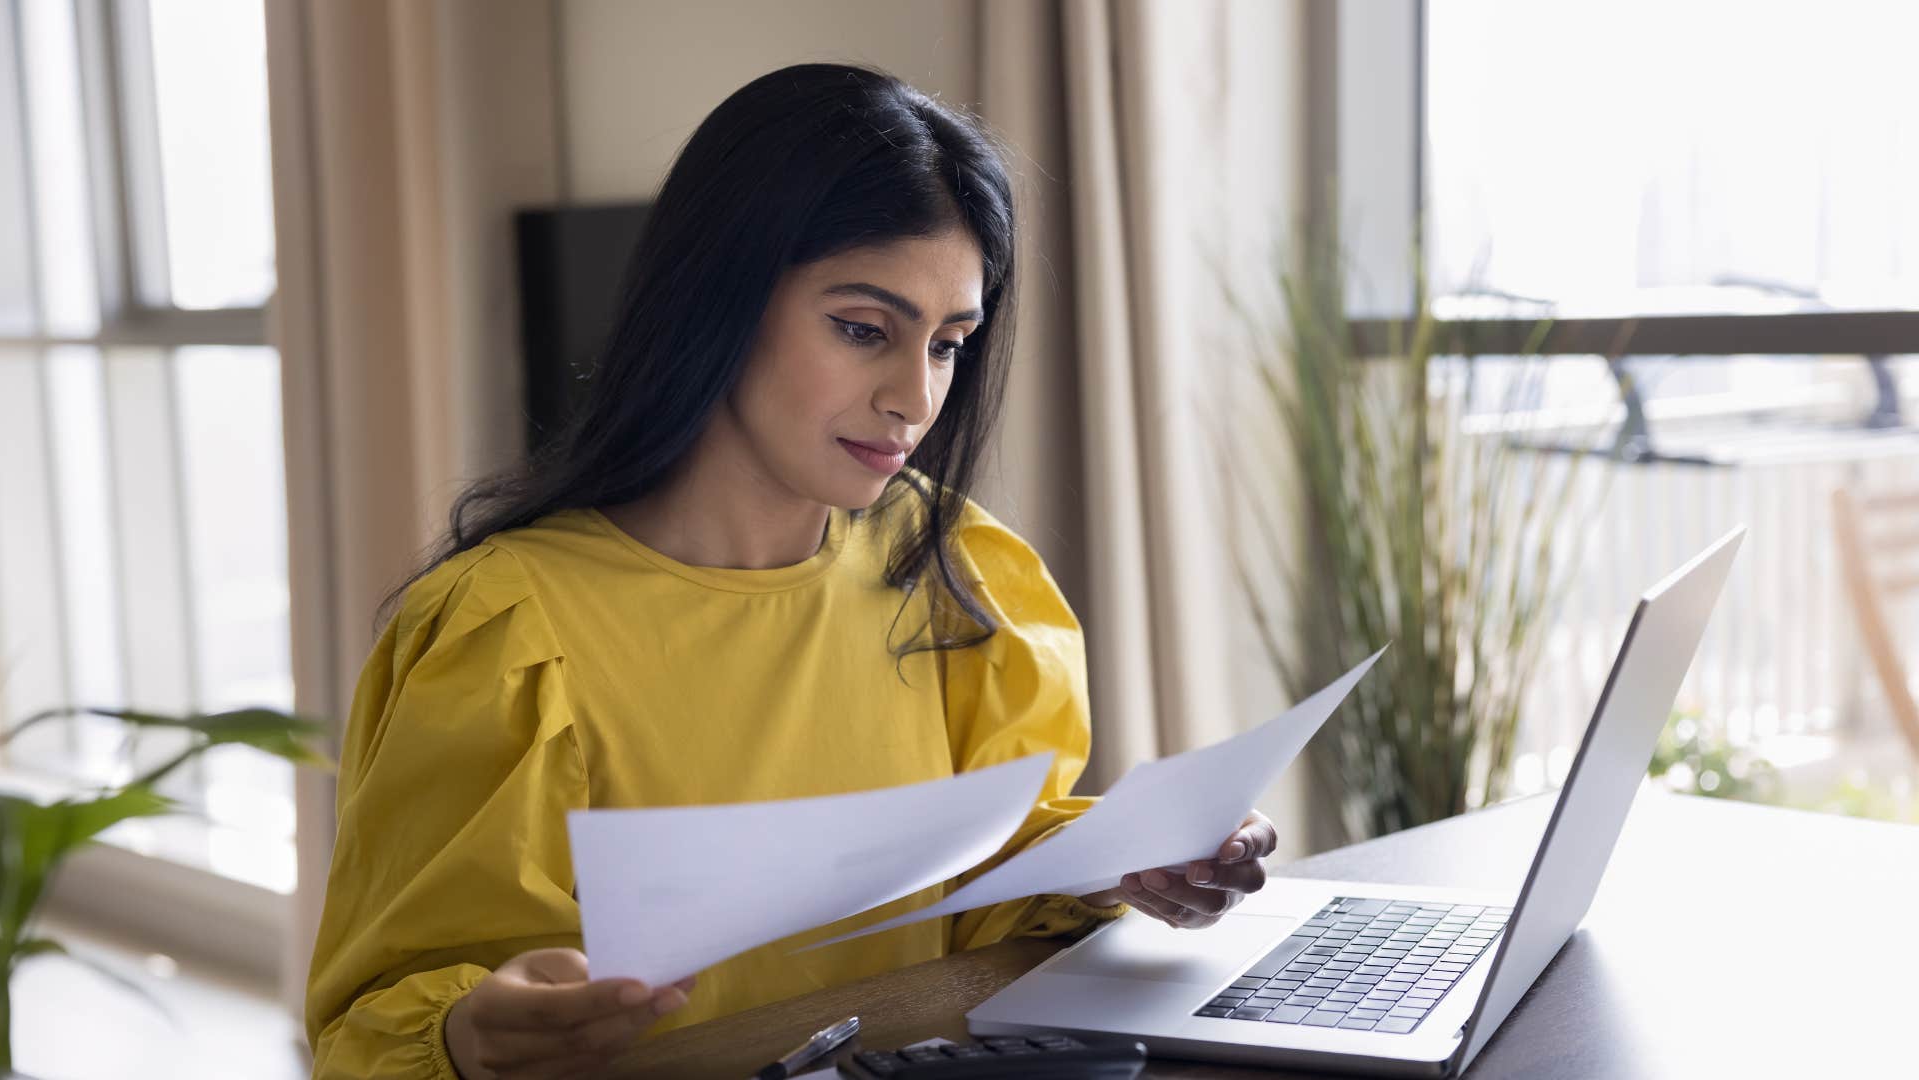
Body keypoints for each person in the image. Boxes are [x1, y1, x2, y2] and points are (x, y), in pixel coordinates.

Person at [304, 62, 1278, 1080]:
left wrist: (1122, 863)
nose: (914, 399)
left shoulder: (955, 569)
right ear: (716, 297)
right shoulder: (508, 632)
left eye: (949, 345)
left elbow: (978, 899)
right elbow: (382, 1020)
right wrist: (467, 1034)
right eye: (863, 330)